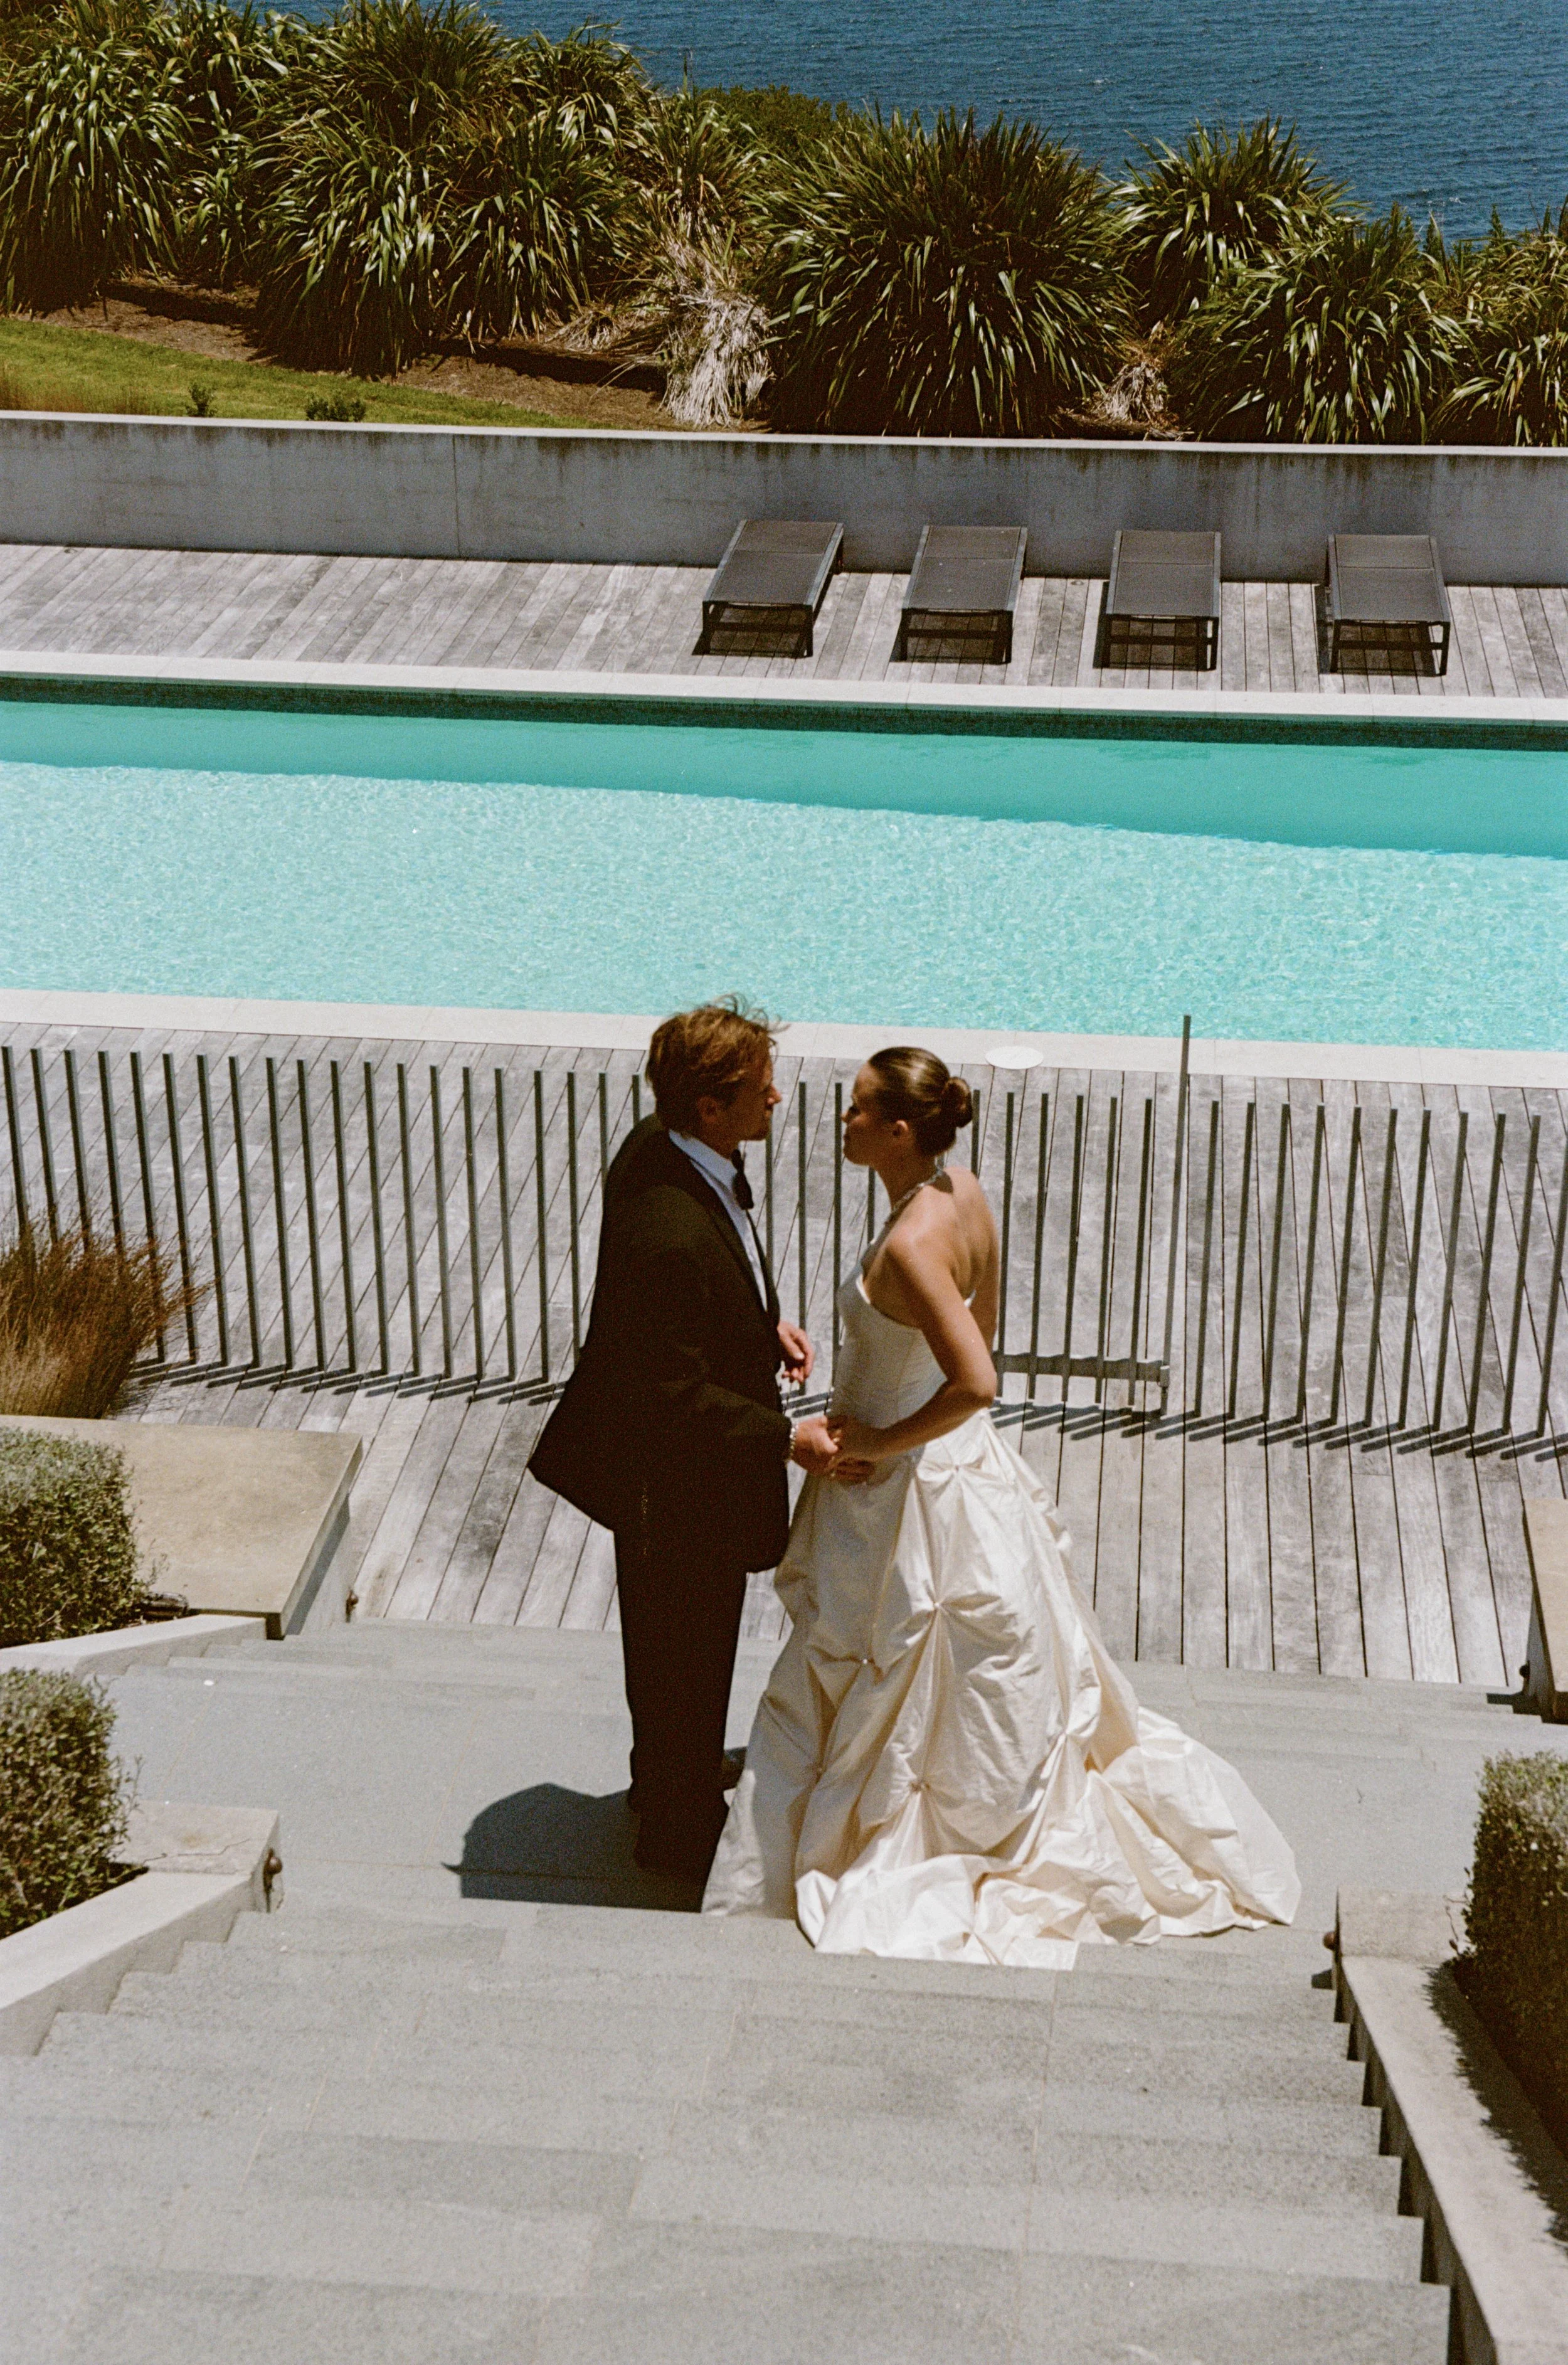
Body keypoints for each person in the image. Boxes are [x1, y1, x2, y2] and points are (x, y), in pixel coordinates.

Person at [703, 1045, 1301, 1964]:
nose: (843, 1120)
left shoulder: (908, 1241)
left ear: (899, 1131)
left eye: (858, 1110)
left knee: (887, 1663)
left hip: (904, 1487)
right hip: (961, 1473)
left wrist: (872, 1439)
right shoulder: (964, 1192)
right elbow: (980, 1332)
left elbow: (975, 1379)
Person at [529, 1001, 839, 1886]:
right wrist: (787, 1436)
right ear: (710, 1107)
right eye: (760, 1086)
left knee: (679, 1654)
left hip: (678, 1474)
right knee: (683, 1655)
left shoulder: (659, 1150)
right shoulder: (666, 1228)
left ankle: (673, 1778)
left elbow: (714, 1271)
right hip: (678, 1486)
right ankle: (674, 1836)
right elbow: (667, 1391)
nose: (778, 1096)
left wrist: (759, 1321)